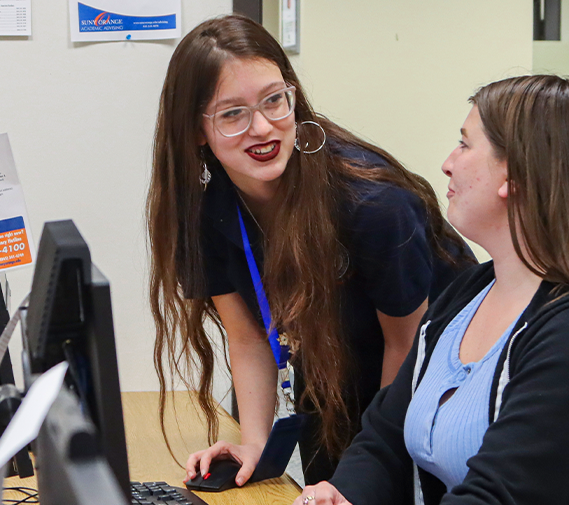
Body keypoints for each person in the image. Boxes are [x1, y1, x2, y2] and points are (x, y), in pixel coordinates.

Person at [293, 75, 569, 505]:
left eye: (465, 144)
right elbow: (386, 434)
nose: (448, 163)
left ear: (515, 176)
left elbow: (499, 497)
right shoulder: (468, 291)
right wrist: (343, 494)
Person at [145, 15, 476, 486]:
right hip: (329, 376)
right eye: (233, 113)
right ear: (196, 130)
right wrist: (256, 446)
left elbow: (406, 343)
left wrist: (370, 470)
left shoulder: (372, 203)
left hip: (431, 388)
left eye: (274, 101)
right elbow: (247, 336)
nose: (262, 128)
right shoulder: (204, 214)